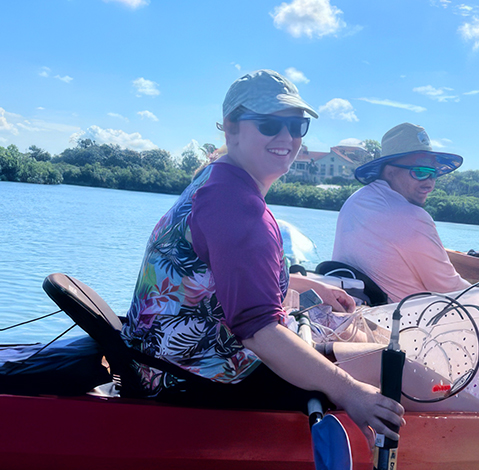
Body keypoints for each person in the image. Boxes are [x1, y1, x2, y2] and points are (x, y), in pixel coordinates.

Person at [119, 70, 409, 445]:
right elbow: (257, 331)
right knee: (400, 371)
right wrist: (350, 392)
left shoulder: (217, 180)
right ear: (231, 129)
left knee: (369, 351)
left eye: (296, 125)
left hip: (161, 361)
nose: (286, 138)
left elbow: (221, 273)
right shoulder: (234, 203)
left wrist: (308, 284)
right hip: (195, 376)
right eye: (271, 124)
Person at [332, 123, 471, 303]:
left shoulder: (355, 200)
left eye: (433, 173)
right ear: (390, 172)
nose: (429, 183)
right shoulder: (412, 217)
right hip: (403, 324)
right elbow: (451, 290)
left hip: (358, 309)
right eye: (420, 172)